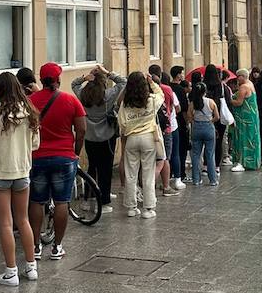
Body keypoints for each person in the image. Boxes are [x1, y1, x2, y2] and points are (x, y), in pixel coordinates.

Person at [0, 72, 40, 286]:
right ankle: (31, 266)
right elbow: (35, 144)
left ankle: (10, 271)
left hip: (0, 171)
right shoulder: (30, 111)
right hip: (22, 170)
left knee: (6, 223)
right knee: (23, 220)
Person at [28, 63, 86, 261]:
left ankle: (35, 246)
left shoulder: (30, 101)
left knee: (36, 201)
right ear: (58, 80)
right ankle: (57, 246)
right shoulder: (70, 100)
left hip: (37, 156)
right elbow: (81, 130)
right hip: (64, 157)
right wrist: (75, 152)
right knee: (62, 201)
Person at [73, 65, 125, 207]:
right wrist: (107, 73)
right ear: (103, 83)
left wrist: (84, 78)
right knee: (106, 169)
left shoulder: (82, 95)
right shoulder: (107, 96)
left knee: (92, 166)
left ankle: (89, 197)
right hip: (107, 137)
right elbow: (122, 81)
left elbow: (74, 84)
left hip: (90, 136)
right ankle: (104, 200)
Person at [117, 71, 164, 217]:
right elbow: (161, 95)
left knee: (131, 174)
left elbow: (122, 124)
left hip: (131, 138)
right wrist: (152, 82)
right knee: (148, 173)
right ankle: (148, 208)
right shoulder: (150, 100)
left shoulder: (125, 104)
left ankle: (131, 207)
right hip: (148, 137)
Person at [149, 64, 184, 193]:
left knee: (150, 160)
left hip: (149, 129)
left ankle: (147, 185)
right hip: (166, 127)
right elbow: (177, 107)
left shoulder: (143, 90)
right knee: (164, 158)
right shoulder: (167, 90)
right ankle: (164, 186)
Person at [186, 80, 219, 186]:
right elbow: (217, 117)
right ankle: (213, 180)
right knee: (210, 154)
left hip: (197, 128)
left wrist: (195, 122)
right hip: (208, 128)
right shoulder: (211, 102)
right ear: (205, 91)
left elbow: (189, 117)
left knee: (195, 155)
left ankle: (196, 179)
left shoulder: (192, 103)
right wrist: (210, 121)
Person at [229, 71, 262, 171]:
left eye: (239, 76)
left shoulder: (243, 87)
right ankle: (252, 161)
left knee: (243, 137)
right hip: (252, 116)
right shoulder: (250, 84)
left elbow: (239, 102)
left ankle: (242, 162)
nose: (237, 79)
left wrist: (228, 100)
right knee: (251, 137)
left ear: (243, 76)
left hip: (244, 117)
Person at [204, 65, 230, 169]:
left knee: (207, 142)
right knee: (218, 142)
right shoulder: (221, 86)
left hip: (205, 117)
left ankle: (206, 165)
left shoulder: (203, 85)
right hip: (219, 117)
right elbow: (228, 101)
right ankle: (216, 166)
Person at [170, 66, 191, 168]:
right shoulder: (180, 90)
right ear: (178, 75)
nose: (183, 75)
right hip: (179, 121)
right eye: (182, 73)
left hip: (169, 121)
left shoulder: (168, 87)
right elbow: (183, 109)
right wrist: (187, 123)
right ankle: (180, 172)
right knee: (181, 148)